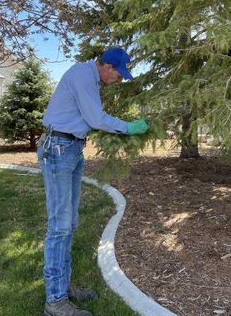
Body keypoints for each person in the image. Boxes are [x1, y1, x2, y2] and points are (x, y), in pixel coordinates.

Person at [38, 46, 149, 316]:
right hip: (60, 149)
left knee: (69, 223)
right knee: (59, 227)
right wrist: (129, 127)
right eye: (119, 74)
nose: (119, 80)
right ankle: (55, 301)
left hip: (71, 148)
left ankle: (62, 286)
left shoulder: (89, 78)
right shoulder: (82, 75)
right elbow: (96, 119)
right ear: (107, 67)